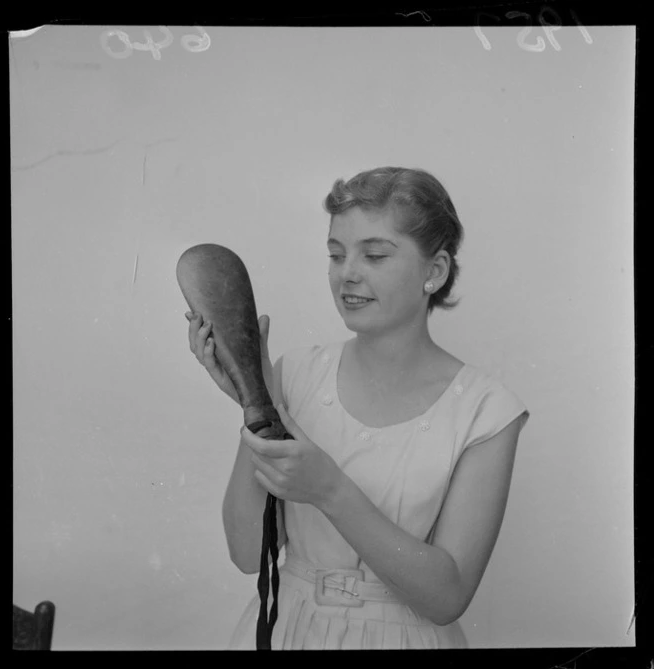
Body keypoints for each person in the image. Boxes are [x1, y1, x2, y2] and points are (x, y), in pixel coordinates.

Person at [185, 166, 529, 650]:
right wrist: (256, 400)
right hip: (286, 632)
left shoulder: (487, 411)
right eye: (336, 254)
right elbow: (246, 553)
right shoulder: (295, 373)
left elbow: (447, 596)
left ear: (435, 271)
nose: (347, 273)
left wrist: (328, 489)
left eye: (374, 255)